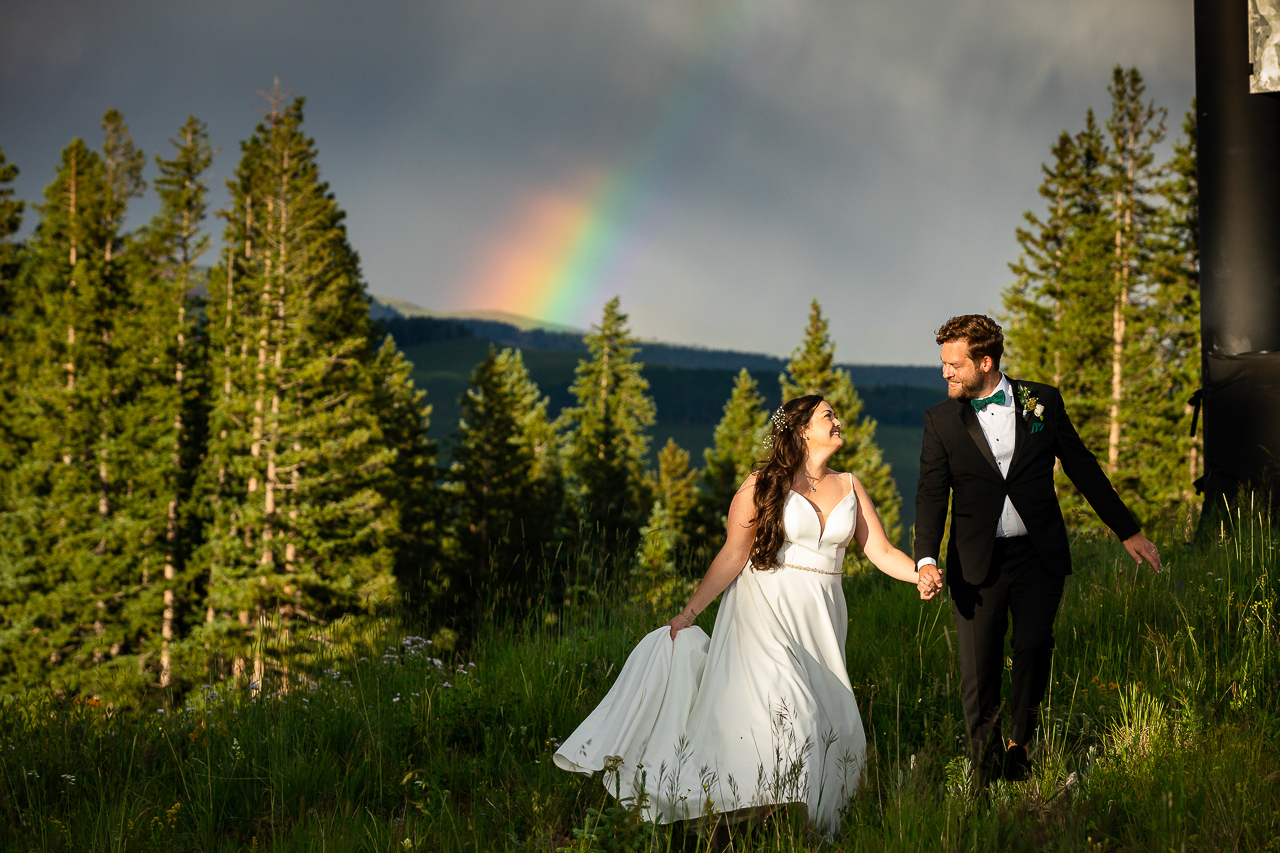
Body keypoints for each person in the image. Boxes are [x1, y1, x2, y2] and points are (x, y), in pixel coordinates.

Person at [554, 394, 930, 837]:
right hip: (764, 611)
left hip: (822, 619)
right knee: (797, 714)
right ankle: (749, 812)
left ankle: (792, 826)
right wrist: (690, 612)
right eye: (828, 415)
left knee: (838, 723)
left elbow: (880, 551)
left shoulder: (850, 484)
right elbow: (734, 555)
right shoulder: (763, 484)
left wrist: (920, 572)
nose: (838, 421)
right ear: (802, 429)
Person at [914, 314, 1162, 786]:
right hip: (974, 565)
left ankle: (1019, 744)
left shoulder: (1040, 402)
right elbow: (930, 494)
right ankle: (983, 779)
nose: (945, 372)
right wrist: (926, 559)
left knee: (1033, 644)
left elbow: (1083, 468)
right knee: (978, 673)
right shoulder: (941, 421)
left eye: (953, 364)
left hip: (1037, 555)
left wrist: (1126, 530)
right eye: (943, 363)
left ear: (985, 362)